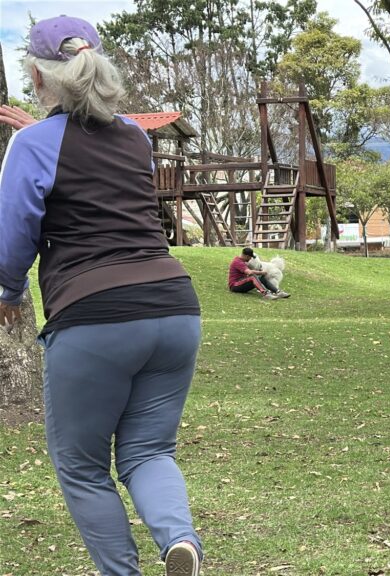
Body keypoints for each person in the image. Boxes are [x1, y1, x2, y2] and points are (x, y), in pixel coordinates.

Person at [0, 16, 202, 576]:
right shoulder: (137, 136)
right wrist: (37, 133)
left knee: (83, 465)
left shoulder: (34, 143)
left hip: (93, 314)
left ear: (37, 78)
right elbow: (93, 154)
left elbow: (13, 234)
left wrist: (8, 291)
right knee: (148, 452)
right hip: (174, 306)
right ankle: (179, 542)